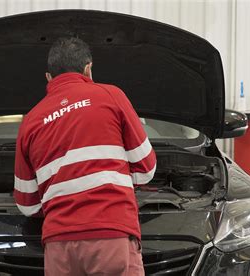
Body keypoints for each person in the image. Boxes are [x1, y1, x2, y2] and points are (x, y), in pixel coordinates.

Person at [14, 37, 156, 276]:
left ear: (49, 77)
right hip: (111, 234)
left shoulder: (30, 121)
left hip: (59, 246)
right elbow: (146, 168)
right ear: (88, 68)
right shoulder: (110, 95)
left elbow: (27, 203)